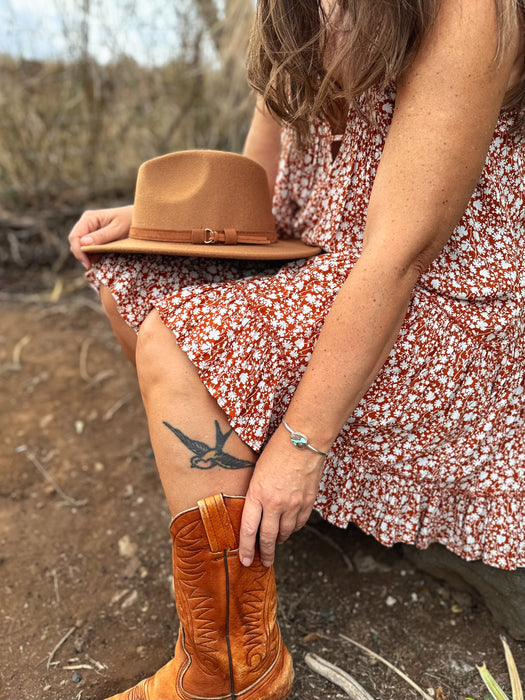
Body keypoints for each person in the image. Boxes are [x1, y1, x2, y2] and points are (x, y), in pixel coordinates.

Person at [68, 0, 525, 698]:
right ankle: (244, 527)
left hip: (439, 295)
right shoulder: (289, 6)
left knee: (181, 347)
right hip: (325, 257)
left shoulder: (464, 8)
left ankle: (230, 669)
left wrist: (301, 445)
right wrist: (150, 220)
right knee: (131, 274)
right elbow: (255, 193)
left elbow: (400, 254)